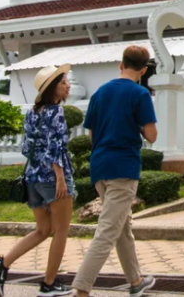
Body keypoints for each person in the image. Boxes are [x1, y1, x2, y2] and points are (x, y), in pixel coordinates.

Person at [72, 46, 158, 297]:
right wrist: (137, 126)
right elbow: (151, 135)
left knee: (122, 227)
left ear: (121, 65)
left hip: (100, 167)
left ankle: (136, 280)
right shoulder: (139, 94)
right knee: (108, 230)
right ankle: (81, 287)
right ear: (143, 70)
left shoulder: (100, 93)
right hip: (124, 166)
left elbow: (91, 136)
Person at [0, 64, 76, 297]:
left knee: (42, 229)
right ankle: (49, 284)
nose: (68, 85)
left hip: (32, 177)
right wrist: (60, 177)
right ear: (51, 89)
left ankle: (1, 264)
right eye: (63, 82)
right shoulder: (56, 112)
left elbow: (27, 147)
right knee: (61, 231)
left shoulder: (32, 112)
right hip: (52, 177)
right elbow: (56, 147)